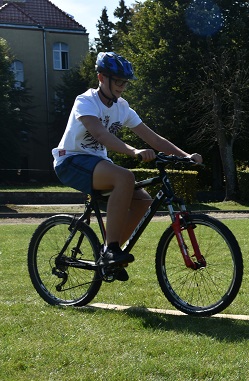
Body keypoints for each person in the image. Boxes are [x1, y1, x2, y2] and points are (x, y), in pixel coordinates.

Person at [52, 52, 202, 278]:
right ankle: (111, 250)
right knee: (124, 177)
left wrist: (186, 156)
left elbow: (154, 139)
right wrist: (133, 151)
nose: (122, 87)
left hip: (98, 164)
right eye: (118, 81)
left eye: (125, 82)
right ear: (101, 78)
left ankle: (108, 255)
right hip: (70, 161)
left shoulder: (122, 108)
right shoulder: (85, 101)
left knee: (144, 201)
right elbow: (101, 135)